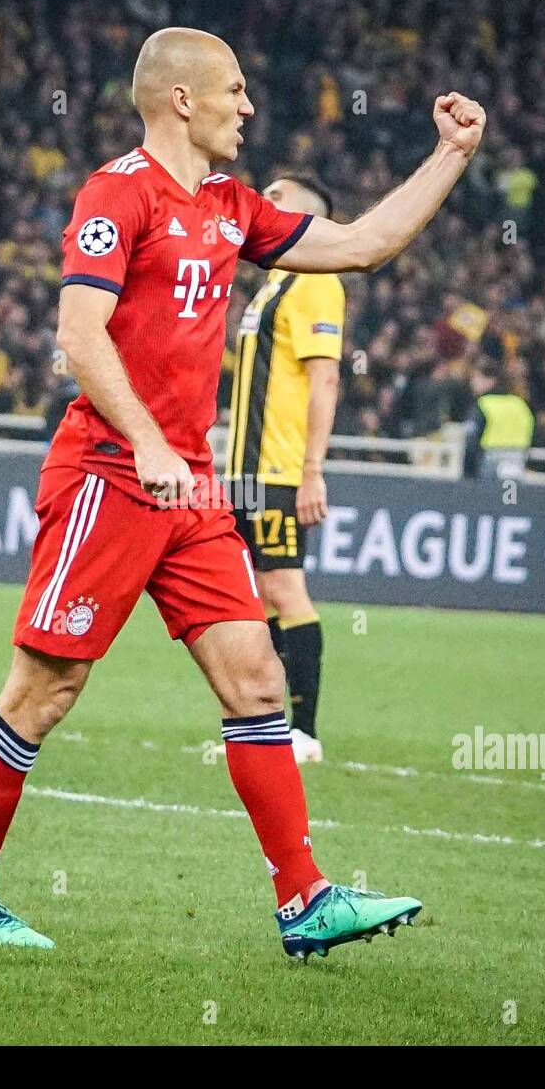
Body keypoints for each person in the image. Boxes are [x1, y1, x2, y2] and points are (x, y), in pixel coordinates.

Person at [0, 26, 485, 959]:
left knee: (257, 677)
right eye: (234, 88)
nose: (249, 105)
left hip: (188, 490)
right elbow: (79, 331)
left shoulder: (232, 206)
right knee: (44, 689)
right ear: (181, 98)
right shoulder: (118, 191)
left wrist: (452, 154)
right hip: (109, 474)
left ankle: (304, 898)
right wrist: (146, 440)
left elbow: (363, 244)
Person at [222, 173, 343, 765]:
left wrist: (311, 471)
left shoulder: (316, 280)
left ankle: (306, 731)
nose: (263, 201)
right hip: (242, 474)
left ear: (307, 218)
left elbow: (325, 377)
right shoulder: (273, 283)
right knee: (255, 598)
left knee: (285, 590)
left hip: (277, 470)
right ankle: (268, 730)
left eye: (277, 197)